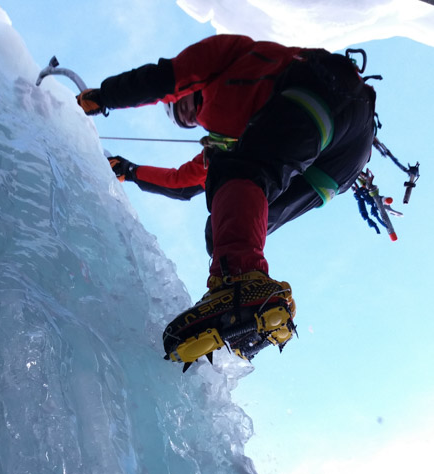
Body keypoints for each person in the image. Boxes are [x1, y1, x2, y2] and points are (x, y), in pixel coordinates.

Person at [77, 35, 377, 368]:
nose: (187, 117)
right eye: (181, 120)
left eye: (180, 107)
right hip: (338, 161)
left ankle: (242, 288)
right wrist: (131, 171)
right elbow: (184, 182)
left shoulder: (224, 59)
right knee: (224, 221)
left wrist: (104, 97)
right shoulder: (230, 137)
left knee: (239, 172)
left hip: (322, 91)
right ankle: (256, 318)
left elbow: (164, 79)